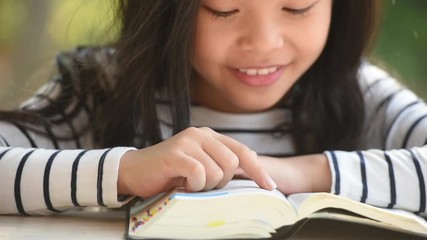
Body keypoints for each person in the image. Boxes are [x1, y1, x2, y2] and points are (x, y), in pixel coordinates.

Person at [0, 0, 425, 217]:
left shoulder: (355, 90)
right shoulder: (101, 86)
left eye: (297, 7)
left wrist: (297, 173)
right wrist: (129, 170)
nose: (263, 43)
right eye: (223, 10)